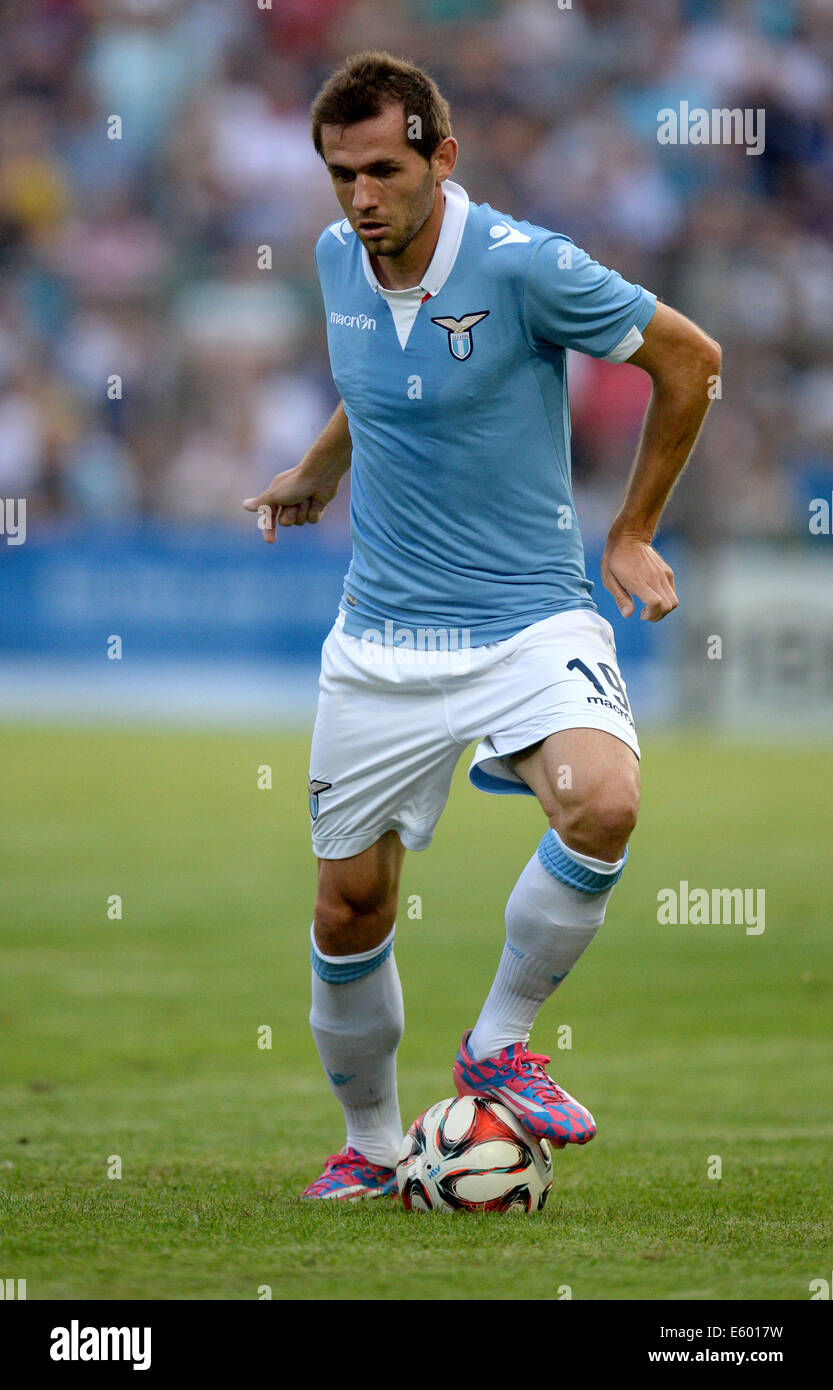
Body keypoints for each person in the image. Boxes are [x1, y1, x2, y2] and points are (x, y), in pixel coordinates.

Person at [244, 52, 721, 1200]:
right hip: (381, 641)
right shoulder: (331, 257)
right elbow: (379, 384)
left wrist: (630, 530)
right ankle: (368, 1149)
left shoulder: (521, 265)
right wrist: (316, 468)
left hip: (525, 618)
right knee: (349, 904)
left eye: (382, 171)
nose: (360, 199)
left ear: (439, 158)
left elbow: (690, 360)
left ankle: (498, 1042)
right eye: (339, 175)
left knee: (602, 801)